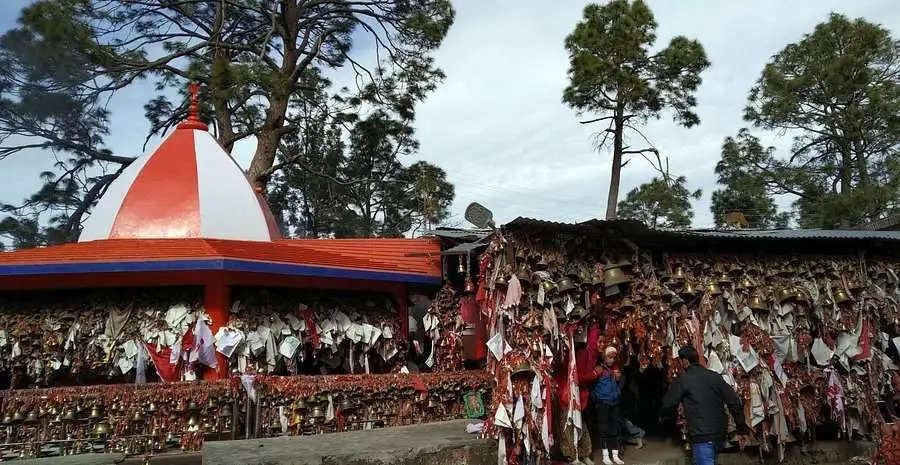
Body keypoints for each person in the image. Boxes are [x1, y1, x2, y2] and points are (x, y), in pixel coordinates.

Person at [660, 346, 749, 465]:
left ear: (685, 361)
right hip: (720, 434)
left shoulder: (684, 379)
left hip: (702, 435)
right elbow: (734, 401)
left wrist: (662, 417)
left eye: (680, 362)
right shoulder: (715, 377)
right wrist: (742, 429)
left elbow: (668, 404)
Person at [591, 346, 625, 465]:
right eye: (609, 357)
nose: (612, 360)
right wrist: (597, 398)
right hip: (603, 403)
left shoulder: (615, 370)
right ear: (604, 357)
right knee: (603, 429)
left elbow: (618, 384)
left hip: (614, 402)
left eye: (613, 358)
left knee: (614, 428)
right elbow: (592, 384)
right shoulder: (599, 369)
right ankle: (605, 455)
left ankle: (615, 455)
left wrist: (618, 379)